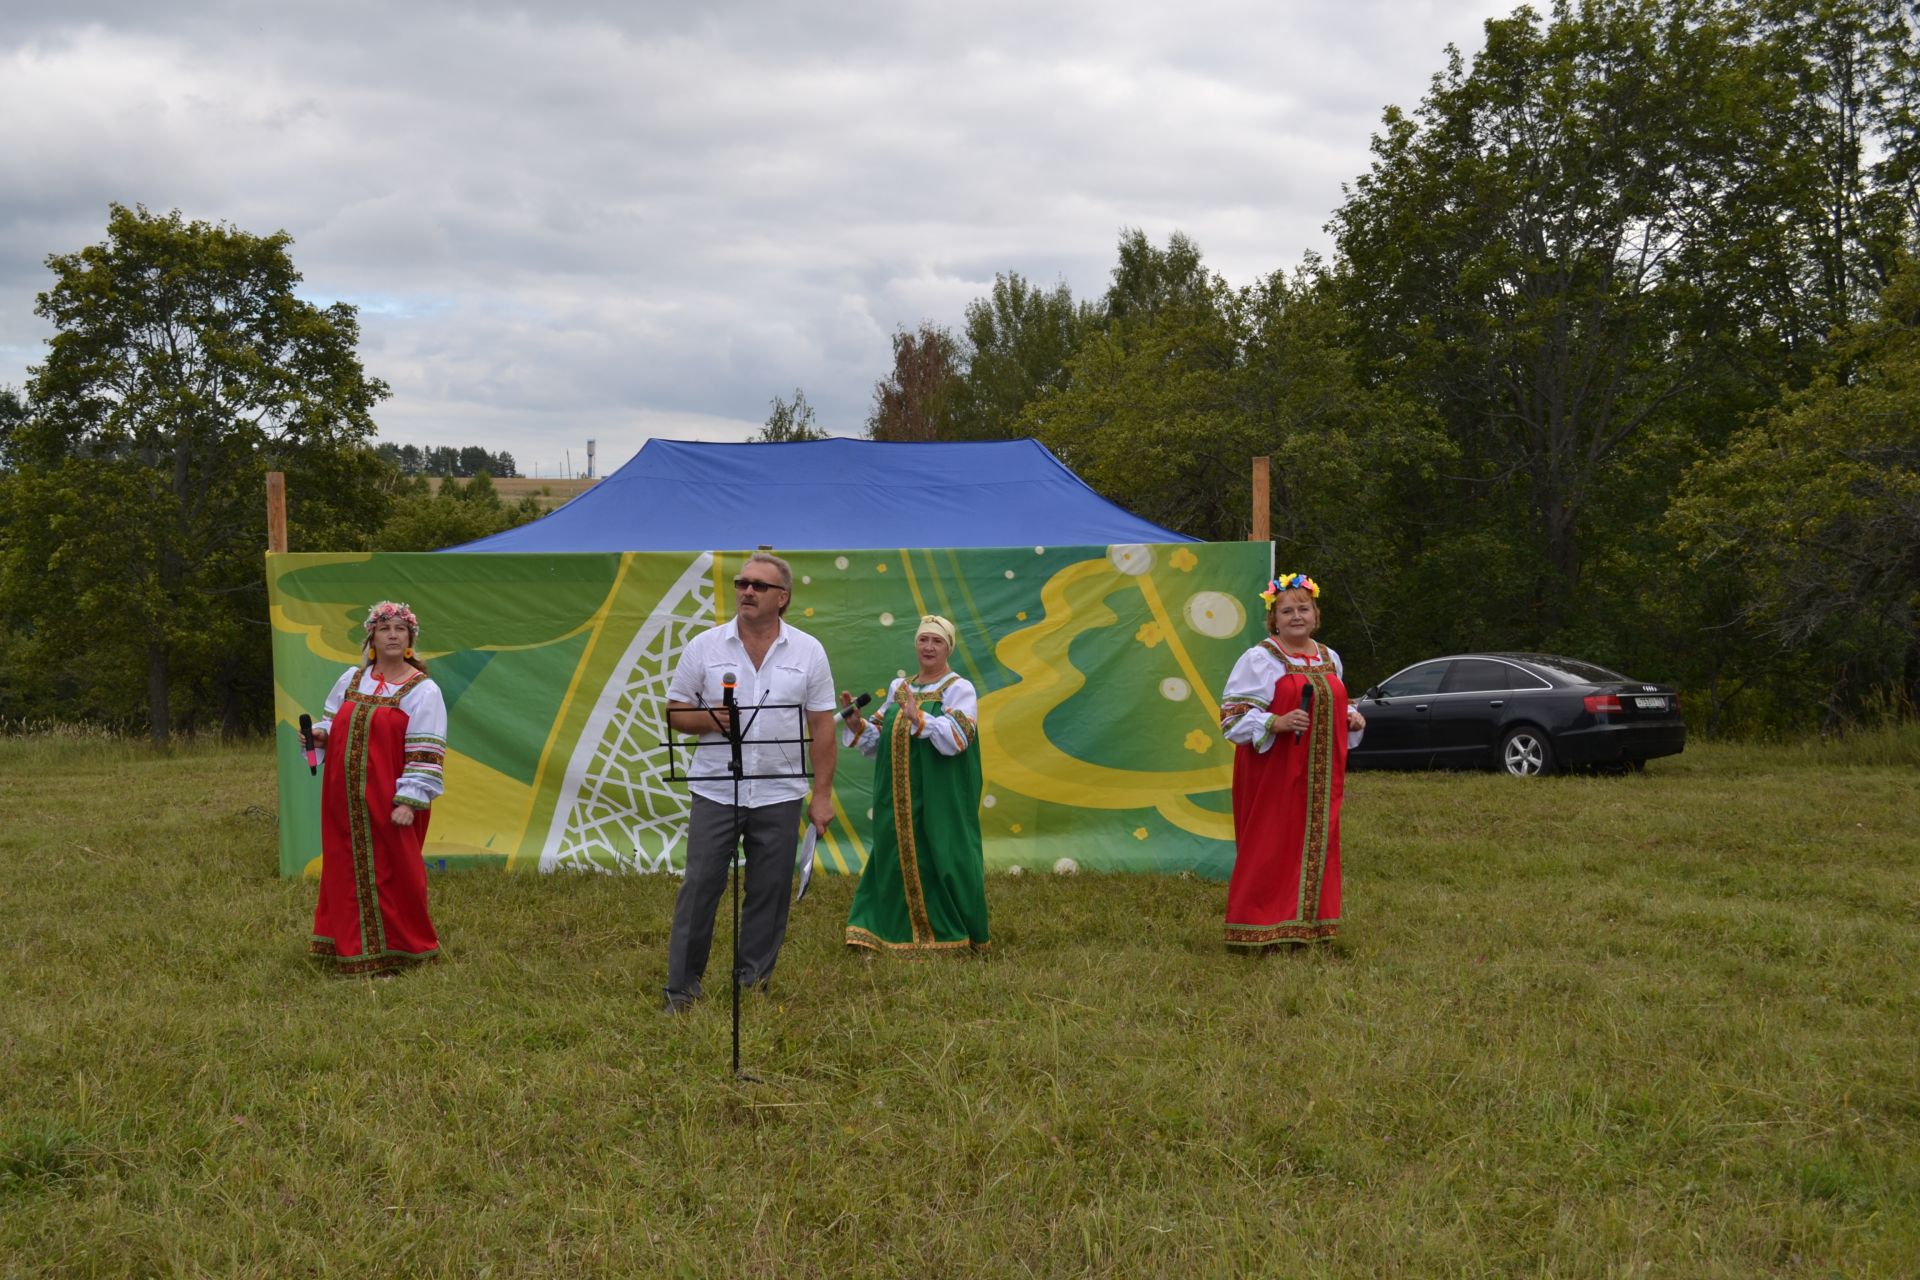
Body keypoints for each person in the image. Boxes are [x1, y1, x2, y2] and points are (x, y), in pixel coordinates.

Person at [662, 551, 837, 1012]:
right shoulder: (705, 646)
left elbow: (822, 726)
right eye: (742, 583)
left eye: (759, 585)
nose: (746, 591)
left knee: (770, 889)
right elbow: (676, 711)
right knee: (700, 885)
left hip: (779, 791)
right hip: (716, 788)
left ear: (782, 598)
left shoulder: (809, 651)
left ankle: (752, 984)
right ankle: (681, 990)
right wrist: (710, 720)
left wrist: (821, 795)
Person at [1218, 574, 1366, 948]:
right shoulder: (1261, 658)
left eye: (1303, 608)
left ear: (1316, 614)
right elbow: (1232, 717)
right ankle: (1259, 927)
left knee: (1319, 843)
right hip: (1275, 773)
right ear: (1274, 619)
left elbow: (1332, 702)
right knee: (1270, 844)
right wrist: (1275, 722)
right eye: (1287, 611)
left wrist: (1351, 717)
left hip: (1321, 777)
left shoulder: (1329, 657)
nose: (1296, 616)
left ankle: (1311, 927)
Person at [306, 601, 447, 975]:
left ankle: (399, 951)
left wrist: (410, 800)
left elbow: (427, 750)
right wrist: (321, 734)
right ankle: (349, 947)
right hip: (343, 797)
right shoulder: (352, 680)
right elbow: (335, 722)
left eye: (401, 629)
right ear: (371, 637)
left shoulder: (423, 690)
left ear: (411, 640)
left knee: (395, 872)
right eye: (385, 629)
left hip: (391, 799)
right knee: (345, 867)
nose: (393, 635)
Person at [839, 615, 990, 953]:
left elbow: (958, 738)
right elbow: (877, 738)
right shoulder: (900, 688)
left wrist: (919, 718)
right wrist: (856, 723)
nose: (928, 647)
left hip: (940, 794)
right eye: (923, 640)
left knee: (944, 855)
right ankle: (887, 931)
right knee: (894, 853)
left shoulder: (959, 688)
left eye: (937, 641)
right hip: (898, 794)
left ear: (948, 647)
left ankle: (951, 934)